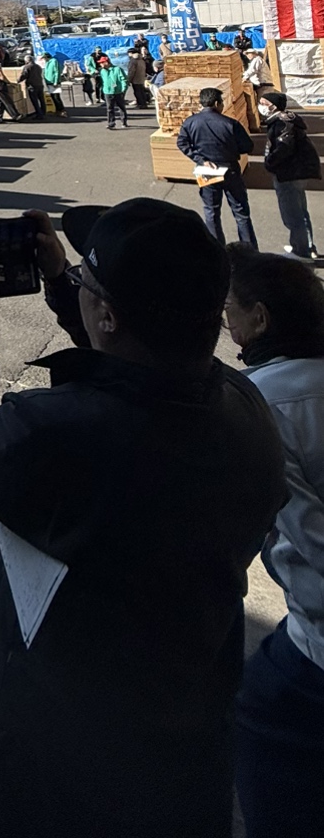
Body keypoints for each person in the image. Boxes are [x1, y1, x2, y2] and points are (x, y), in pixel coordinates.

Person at [0, 199, 285, 838]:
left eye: (93, 289)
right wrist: (73, 290)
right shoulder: (244, 407)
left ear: (110, 314)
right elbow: (140, 359)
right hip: (186, 736)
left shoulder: (57, 432)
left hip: (60, 761)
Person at [225, 252, 324, 838]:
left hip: (315, 652)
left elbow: (305, 544)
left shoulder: (263, 405)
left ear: (259, 319)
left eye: (230, 312)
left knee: (260, 714)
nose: (225, 322)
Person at [177, 87, 258, 248]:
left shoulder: (190, 122)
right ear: (216, 103)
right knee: (240, 212)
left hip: (206, 171)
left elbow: (182, 143)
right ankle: (249, 249)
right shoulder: (230, 124)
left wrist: (200, 159)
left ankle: (216, 249)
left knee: (211, 212)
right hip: (230, 169)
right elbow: (247, 146)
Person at [259, 89, 321, 259]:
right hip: (298, 172)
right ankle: (306, 246)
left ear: (273, 106)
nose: (261, 107)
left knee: (292, 214)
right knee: (301, 211)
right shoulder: (287, 120)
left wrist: (269, 162)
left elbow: (283, 149)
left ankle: (300, 251)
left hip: (289, 173)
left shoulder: (280, 124)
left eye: (264, 104)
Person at [100, 54, 130, 129]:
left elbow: (124, 79)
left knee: (121, 107)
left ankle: (124, 122)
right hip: (107, 92)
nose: (100, 64)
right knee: (109, 108)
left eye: (102, 62)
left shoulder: (117, 69)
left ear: (107, 62)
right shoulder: (102, 71)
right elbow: (103, 81)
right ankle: (111, 123)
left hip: (118, 91)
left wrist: (123, 89)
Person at [0, 55, 19, 124]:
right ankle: (16, 115)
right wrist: (9, 83)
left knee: (0, 105)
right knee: (8, 102)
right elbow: (2, 77)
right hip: (0, 89)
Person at [19, 53, 45, 121]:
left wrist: (18, 80)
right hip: (40, 84)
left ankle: (39, 114)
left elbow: (24, 75)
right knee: (41, 99)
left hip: (32, 86)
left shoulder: (27, 67)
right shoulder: (38, 66)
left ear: (27, 61)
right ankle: (43, 112)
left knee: (35, 101)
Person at [39, 50, 66, 118]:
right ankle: (57, 110)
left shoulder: (54, 61)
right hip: (49, 82)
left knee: (56, 97)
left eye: (44, 58)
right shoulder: (47, 63)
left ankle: (62, 110)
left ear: (47, 57)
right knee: (53, 97)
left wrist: (56, 81)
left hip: (54, 82)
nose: (44, 60)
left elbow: (56, 72)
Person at [127, 42, 152, 109]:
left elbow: (131, 71)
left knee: (137, 92)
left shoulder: (133, 61)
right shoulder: (141, 59)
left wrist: (129, 79)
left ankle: (140, 104)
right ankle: (144, 103)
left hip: (135, 79)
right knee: (142, 91)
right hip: (141, 77)